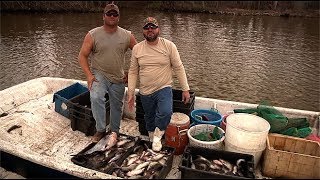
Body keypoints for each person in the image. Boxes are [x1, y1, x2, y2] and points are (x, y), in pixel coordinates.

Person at [127, 17, 190, 152]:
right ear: (143, 31)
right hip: (145, 91)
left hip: (164, 87)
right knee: (149, 117)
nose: (150, 30)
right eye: (147, 27)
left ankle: (157, 136)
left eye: (153, 27)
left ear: (158, 29)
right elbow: (132, 72)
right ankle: (151, 137)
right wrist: (131, 93)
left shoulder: (169, 46)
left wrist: (186, 89)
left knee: (166, 112)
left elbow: (178, 67)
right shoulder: (137, 49)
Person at [78, 3, 137, 146]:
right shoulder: (93, 34)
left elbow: (139, 54)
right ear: (103, 16)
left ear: (118, 17)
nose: (112, 16)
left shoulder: (127, 35)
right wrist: (89, 75)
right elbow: (82, 56)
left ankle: (114, 132)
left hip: (118, 76)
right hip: (99, 74)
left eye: (115, 14)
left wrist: (131, 72)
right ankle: (100, 129)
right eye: (109, 14)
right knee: (96, 96)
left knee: (117, 106)